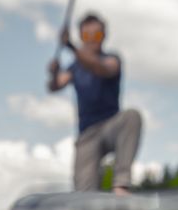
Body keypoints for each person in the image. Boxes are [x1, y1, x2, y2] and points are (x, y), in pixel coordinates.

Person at [47, 12, 142, 194]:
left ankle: (121, 185)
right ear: (82, 36)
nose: (92, 40)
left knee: (132, 116)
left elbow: (101, 68)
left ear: (104, 36)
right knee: (84, 195)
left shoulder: (112, 59)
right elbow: (54, 86)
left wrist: (71, 47)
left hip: (112, 126)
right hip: (87, 135)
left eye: (96, 35)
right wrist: (53, 72)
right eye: (86, 36)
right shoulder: (74, 68)